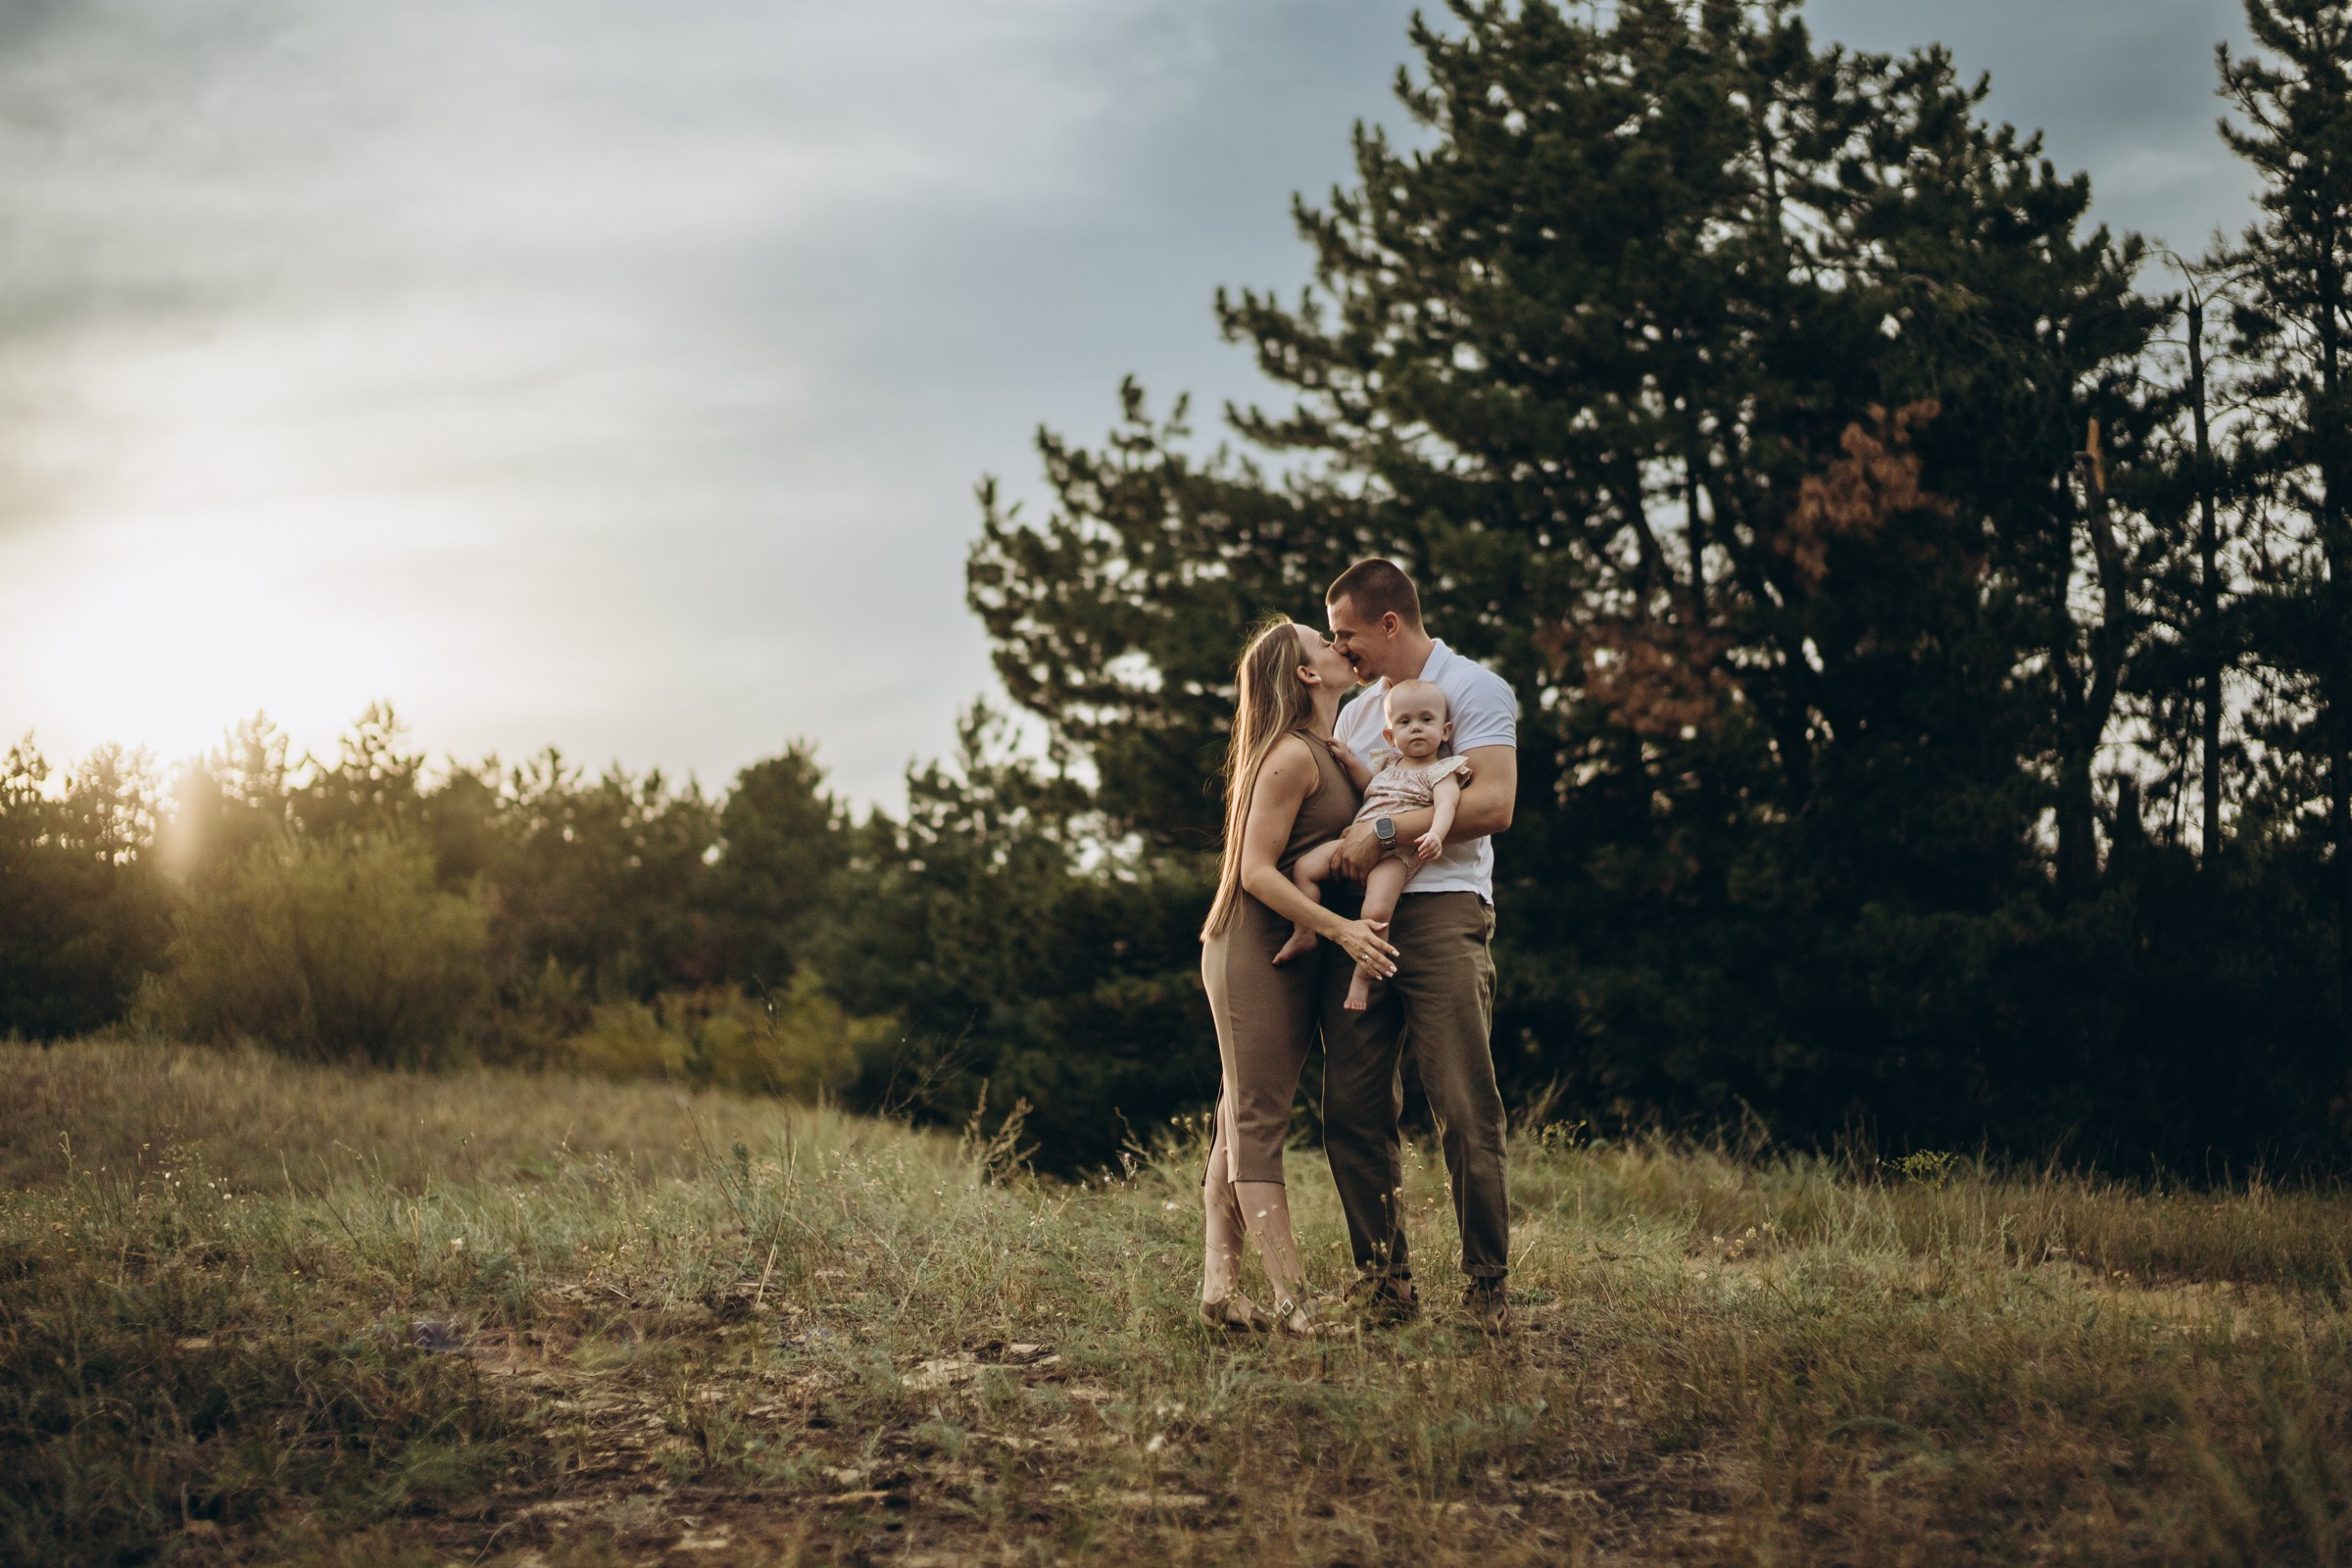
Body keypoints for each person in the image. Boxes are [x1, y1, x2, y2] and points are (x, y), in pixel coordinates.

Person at [1318, 560, 1519, 1332]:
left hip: (1443, 911)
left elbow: (1494, 802)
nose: (1343, 650)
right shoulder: (1360, 714)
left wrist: (1381, 831)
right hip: (1361, 921)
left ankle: (1486, 1286)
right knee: (1353, 1105)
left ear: (1390, 623)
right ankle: (1385, 1285)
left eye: (1349, 634)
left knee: (1464, 1102)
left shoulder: (1472, 689)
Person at [1197, 614, 1399, 1336]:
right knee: (1256, 1117)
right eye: (1325, 643)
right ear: (1308, 674)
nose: (1340, 647)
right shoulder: (1289, 754)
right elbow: (1254, 872)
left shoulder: (1324, 747)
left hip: (1291, 947)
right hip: (1252, 945)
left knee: (1239, 1111)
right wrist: (1342, 928)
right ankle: (1293, 1304)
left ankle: (1220, 1286)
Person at [1272, 680, 1472, 1012]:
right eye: (1405, 722)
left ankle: (1362, 979)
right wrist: (1349, 762)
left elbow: (1447, 806)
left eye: (1427, 720)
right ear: (1391, 737)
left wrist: (1436, 833)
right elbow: (1371, 789)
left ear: (1446, 730)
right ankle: (1305, 930)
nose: (1417, 728)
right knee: (1304, 868)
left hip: (1396, 852)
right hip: (1356, 840)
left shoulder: (1442, 771)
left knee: (1376, 913)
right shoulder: (1389, 765)